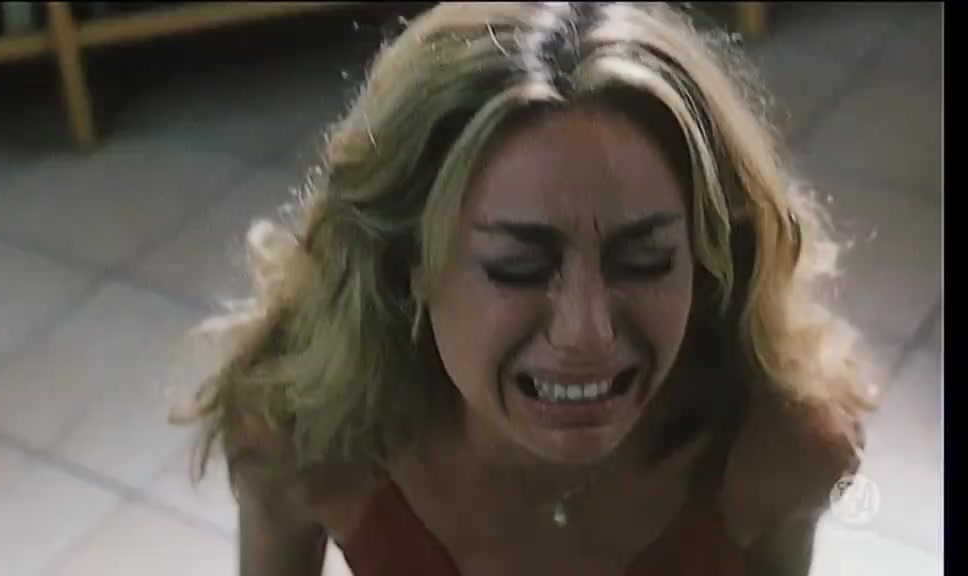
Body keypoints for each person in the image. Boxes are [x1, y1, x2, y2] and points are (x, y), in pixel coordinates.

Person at [175, 3, 878, 575]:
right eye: (518, 266)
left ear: (708, 259)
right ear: (404, 264)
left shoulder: (782, 444)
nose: (588, 331)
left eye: (645, 261)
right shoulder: (300, 430)